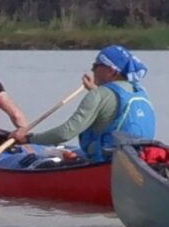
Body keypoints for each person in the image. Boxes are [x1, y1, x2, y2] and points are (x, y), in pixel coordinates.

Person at [18, 45, 157, 163]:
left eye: (96, 65)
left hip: (106, 161)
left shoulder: (98, 95)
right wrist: (94, 89)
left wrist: (29, 139)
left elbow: (65, 133)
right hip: (138, 158)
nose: (92, 69)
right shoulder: (140, 91)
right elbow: (111, 105)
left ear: (111, 70)